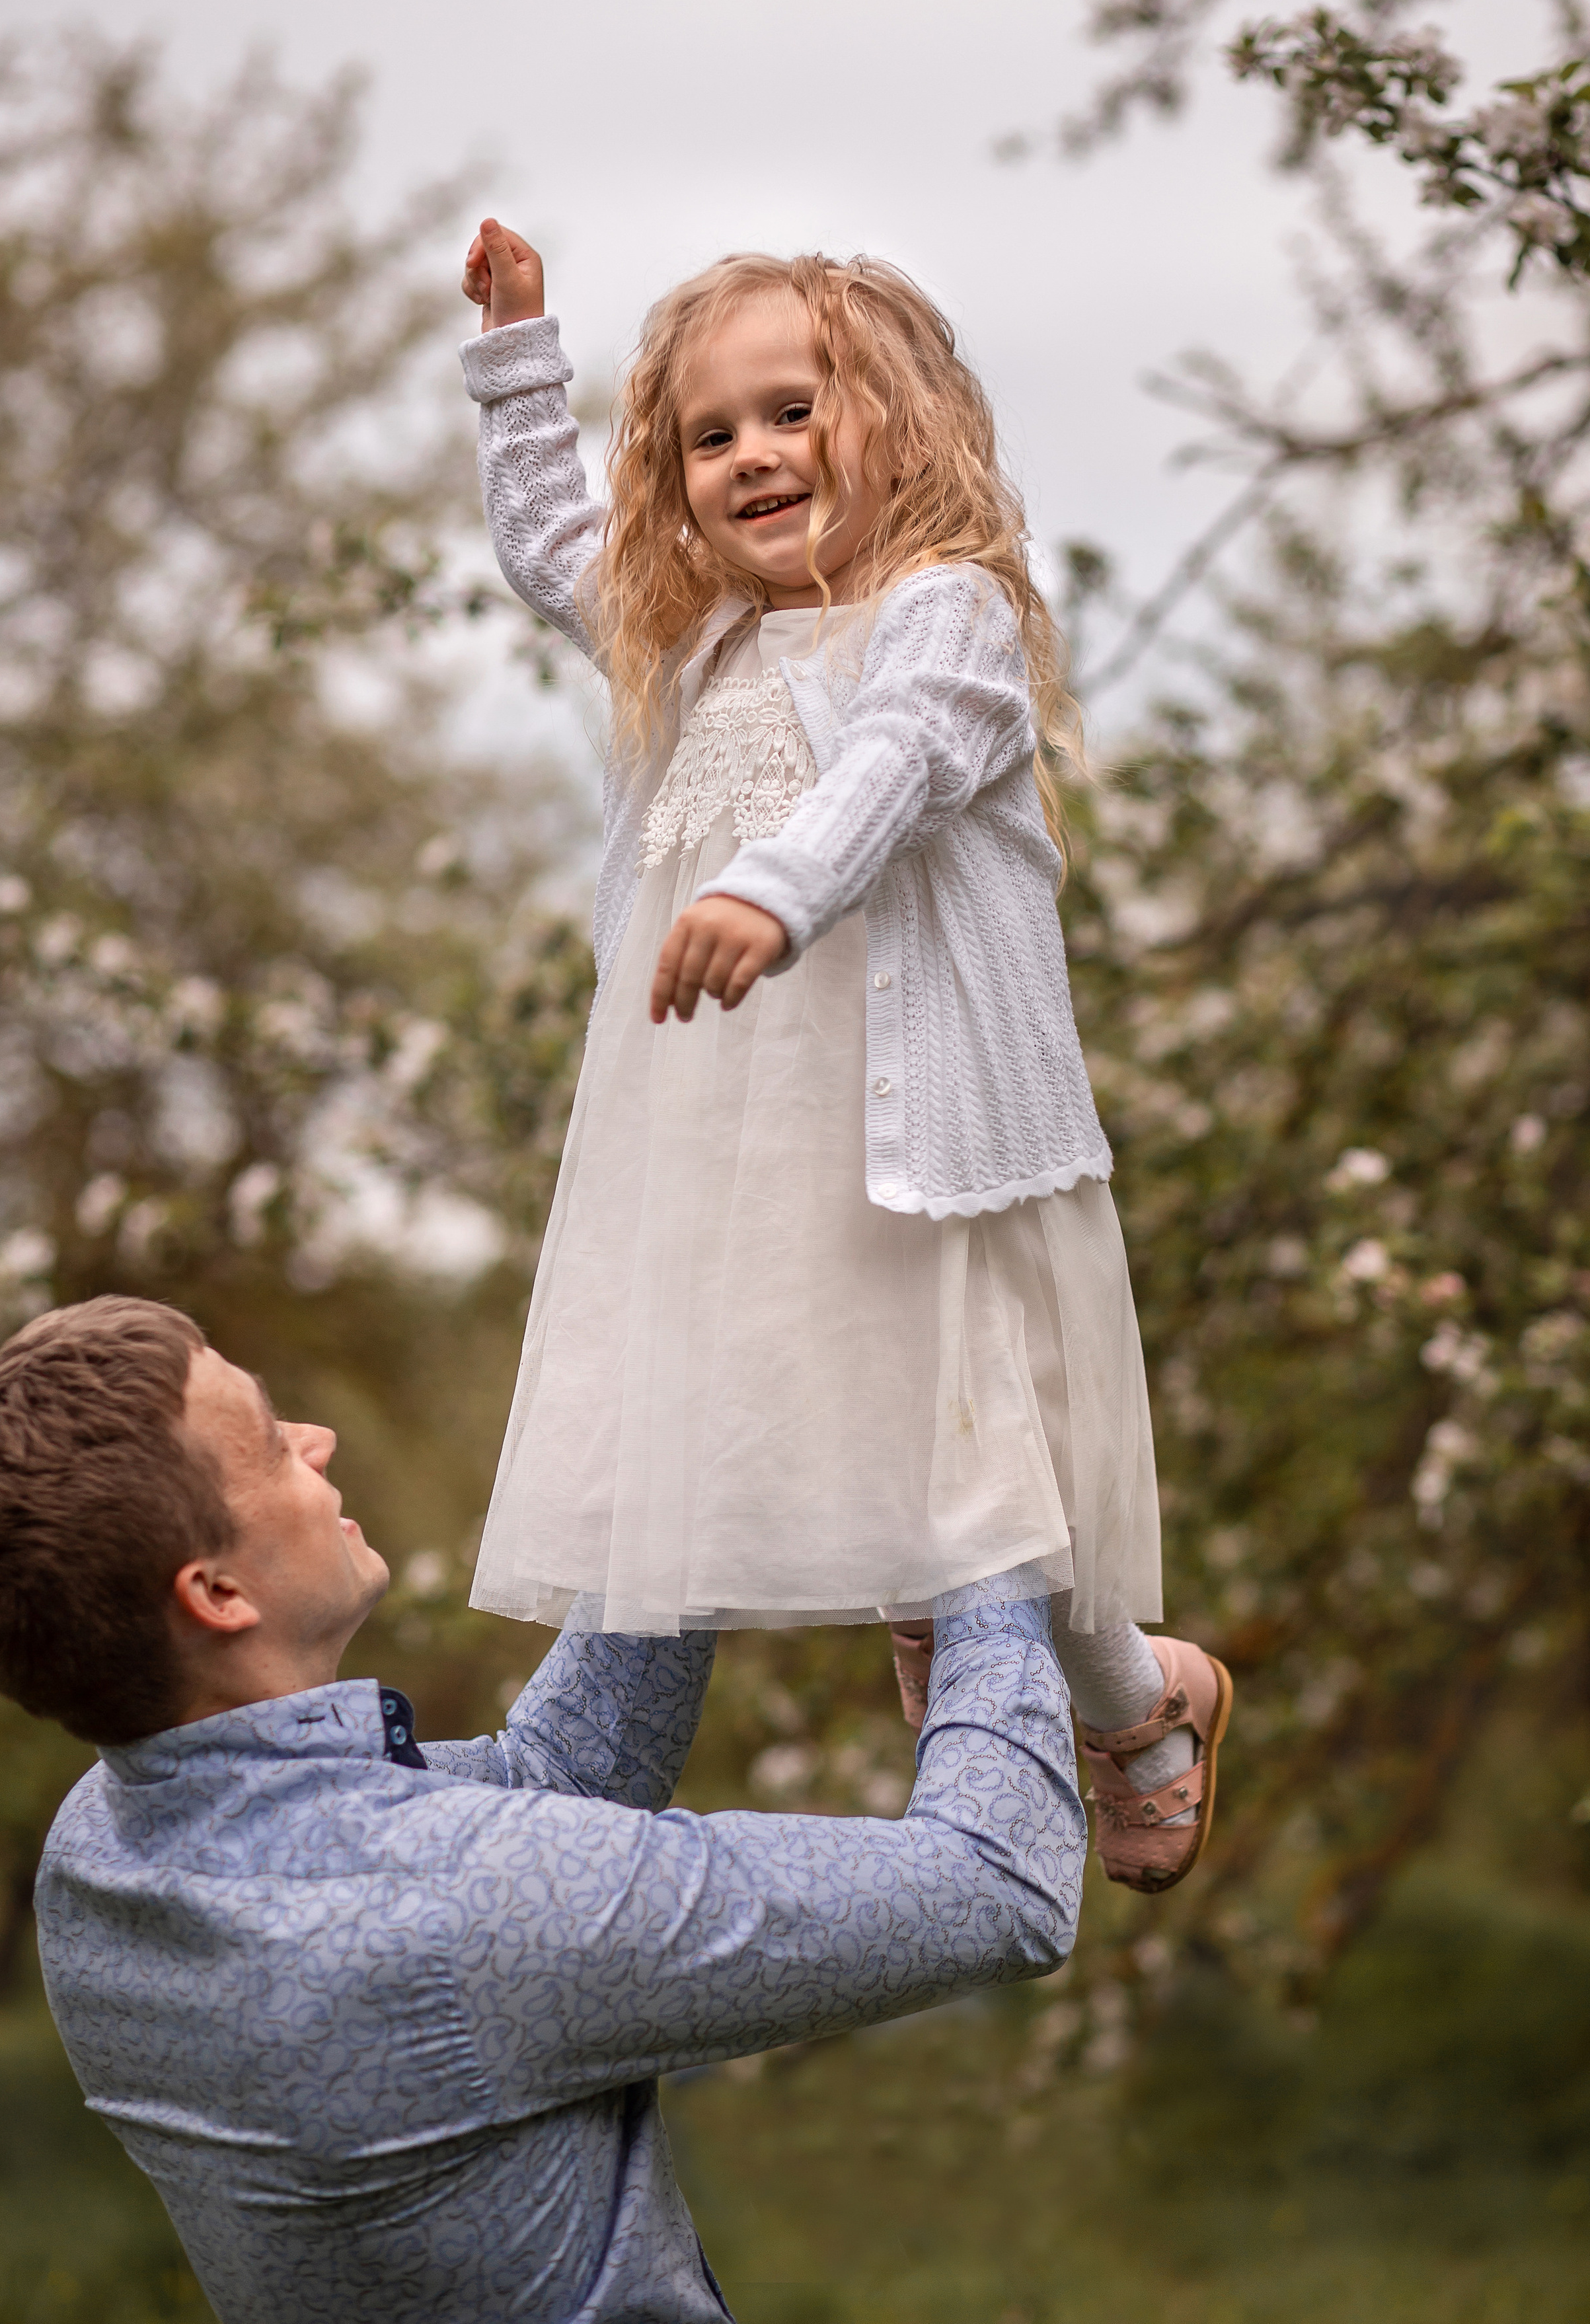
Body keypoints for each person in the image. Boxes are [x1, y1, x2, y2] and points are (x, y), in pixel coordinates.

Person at [459, 221, 1232, 1893]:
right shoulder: (687, 635)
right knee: (883, 1449)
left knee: (972, 1455)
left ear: (899, 418)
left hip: (922, 1133)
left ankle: (1128, 1705)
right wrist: (521, 360)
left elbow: (893, 768)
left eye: (792, 413)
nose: (750, 459)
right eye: (708, 437)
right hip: (731, 1156)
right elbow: (545, 550)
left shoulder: (941, 616)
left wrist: (766, 890)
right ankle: (1128, 1689)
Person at [0, 1294, 1084, 2324]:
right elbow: (995, 1885)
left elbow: (564, 1776)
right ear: (216, 1593)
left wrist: (693, 1459)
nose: (319, 1442)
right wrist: (983, 1507)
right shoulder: (437, 1914)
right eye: (272, 1445)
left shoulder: (100, 1847)